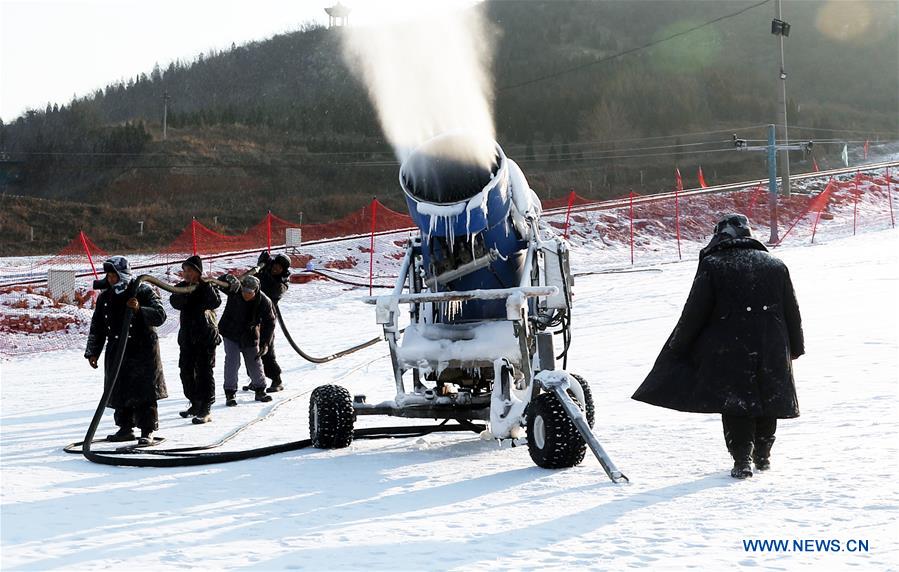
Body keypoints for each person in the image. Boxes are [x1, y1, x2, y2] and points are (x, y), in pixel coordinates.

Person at [632, 213, 804, 479]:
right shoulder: (775, 264)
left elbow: (694, 312)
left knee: (737, 402)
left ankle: (741, 460)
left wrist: (679, 346)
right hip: (772, 343)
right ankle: (763, 454)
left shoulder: (714, 265)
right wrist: (795, 346)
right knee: (767, 396)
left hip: (729, 345)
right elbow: (791, 310)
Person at [85, 256, 168, 446]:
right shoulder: (105, 297)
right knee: (119, 389)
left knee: (144, 392)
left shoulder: (143, 290)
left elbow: (160, 315)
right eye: (109, 275)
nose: (111, 279)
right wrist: (93, 351)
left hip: (143, 351)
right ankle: (125, 428)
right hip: (117, 350)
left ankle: (147, 430)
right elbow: (97, 325)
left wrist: (140, 309)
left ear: (122, 274)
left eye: (114, 275)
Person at [169, 255, 221, 424]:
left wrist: (204, 286)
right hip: (187, 338)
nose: (186, 273)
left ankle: (205, 407)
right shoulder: (181, 287)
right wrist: (186, 293)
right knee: (186, 371)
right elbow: (174, 301)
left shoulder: (207, 286)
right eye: (185, 270)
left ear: (198, 272)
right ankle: (195, 402)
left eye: (190, 270)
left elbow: (215, 301)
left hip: (205, 338)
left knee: (205, 372)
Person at [217, 273, 275, 405]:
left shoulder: (264, 301)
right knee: (232, 361)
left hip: (250, 334)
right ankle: (230, 392)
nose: (245, 294)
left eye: (249, 292)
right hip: (230, 332)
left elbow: (270, 322)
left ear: (256, 290)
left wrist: (265, 343)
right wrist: (228, 278)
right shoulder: (235, 290)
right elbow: (218, 282)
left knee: (254, 361)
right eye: (244, 291)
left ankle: (260, 389)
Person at [255, 250, 291, 392]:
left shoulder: (282, 283)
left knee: (266, 348)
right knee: (250, 348)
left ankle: (276, 379)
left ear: (284, 270)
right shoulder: (264, 271)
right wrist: (261, 264)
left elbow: (274, 290)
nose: (276, 268)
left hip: (267, 318)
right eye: (275, 264)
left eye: (280, 267)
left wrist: (263, 270)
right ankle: (256, 379)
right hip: (252, 315)